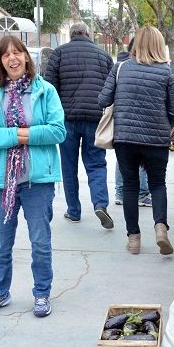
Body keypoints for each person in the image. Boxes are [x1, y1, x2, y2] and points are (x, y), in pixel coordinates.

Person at [0, 36, 66, 317]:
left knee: (40, 241)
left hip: (38, 181)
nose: (12, 58)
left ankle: (41, 294)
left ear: (27, 57)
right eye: (5, 55)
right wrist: (21, 134)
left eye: (18, 52)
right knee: (2, 243)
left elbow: (58, 130)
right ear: (0, 62)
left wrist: (19, 137)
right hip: (2, 182)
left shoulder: (45, 90)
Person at [98, 26, 174, 255]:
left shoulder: (121, 68)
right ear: (159, 45)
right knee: (157, 184)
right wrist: (165, 124)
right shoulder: (166, 73)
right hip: (156, 140)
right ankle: (161, 228)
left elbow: (102, 99)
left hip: (126, 139)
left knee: (131, 186)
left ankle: (133, 238)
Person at [45, 21, 115, 229]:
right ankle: (100, 204)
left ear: (71, 35)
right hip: (95, 119)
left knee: (68, 165)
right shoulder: (103, 56)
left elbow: (50, 89)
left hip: (66, 120)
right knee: (96, 163)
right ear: (87, 34)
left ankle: (74, 211)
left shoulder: (58, 53)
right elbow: (111, 89)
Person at [114, 38, 151, 207]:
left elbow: (105, 96)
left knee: (123, 159)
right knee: (143, 157)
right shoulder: (148, 69)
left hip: (121, 122)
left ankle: (121, 192)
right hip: (142, 122)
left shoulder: (119, 67)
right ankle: (142, 194)